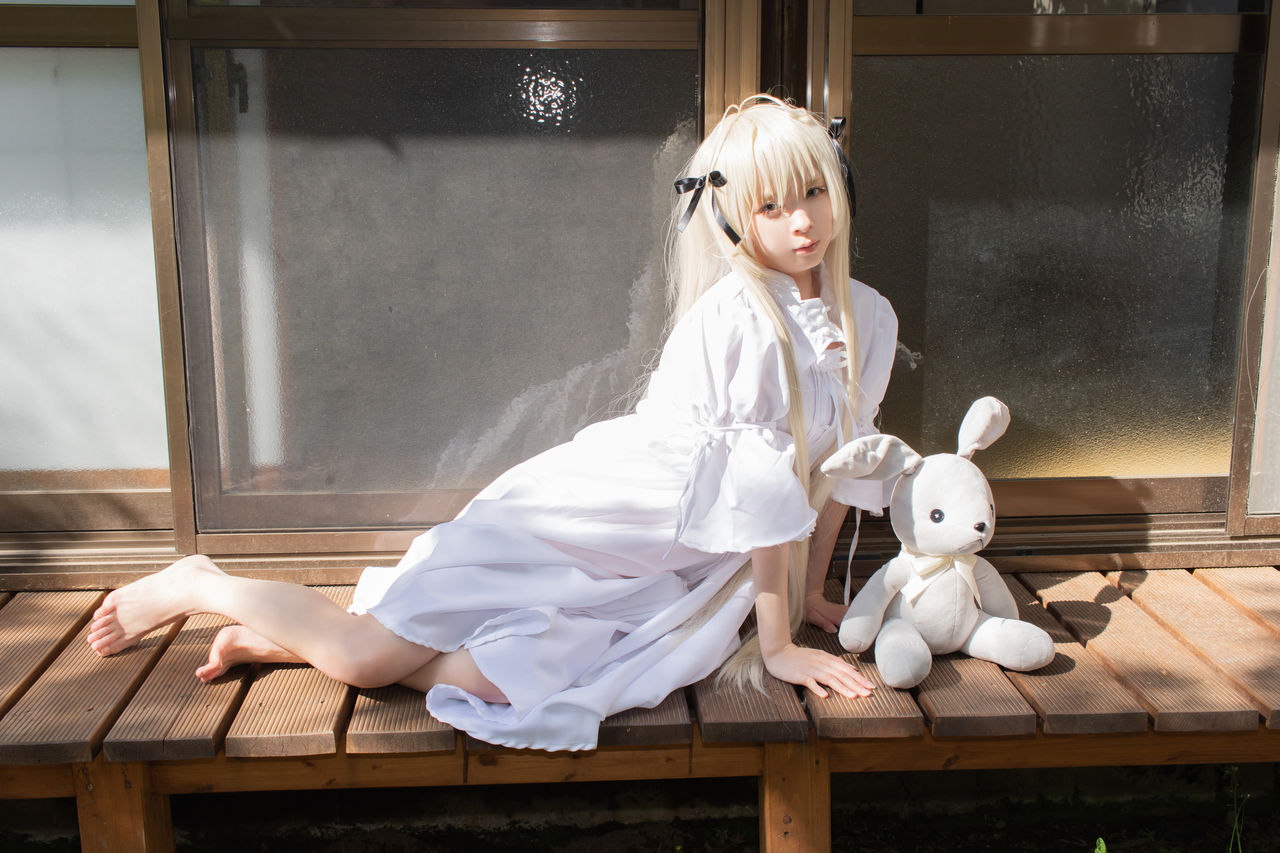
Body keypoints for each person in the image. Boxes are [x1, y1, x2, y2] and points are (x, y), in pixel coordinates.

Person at [87, 95, 898, 752]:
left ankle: (297, 638)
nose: (801, 221)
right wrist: (779, 644)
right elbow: (759, 491)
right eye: (769, 206)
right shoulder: (735, 318)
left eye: (813, 192)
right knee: (367, 658)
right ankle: (204, 583)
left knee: (499, 680)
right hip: (598, 522)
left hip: (666, 563)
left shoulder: (869, 317)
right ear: (733, 220)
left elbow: (840, 467)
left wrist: (811, 593)